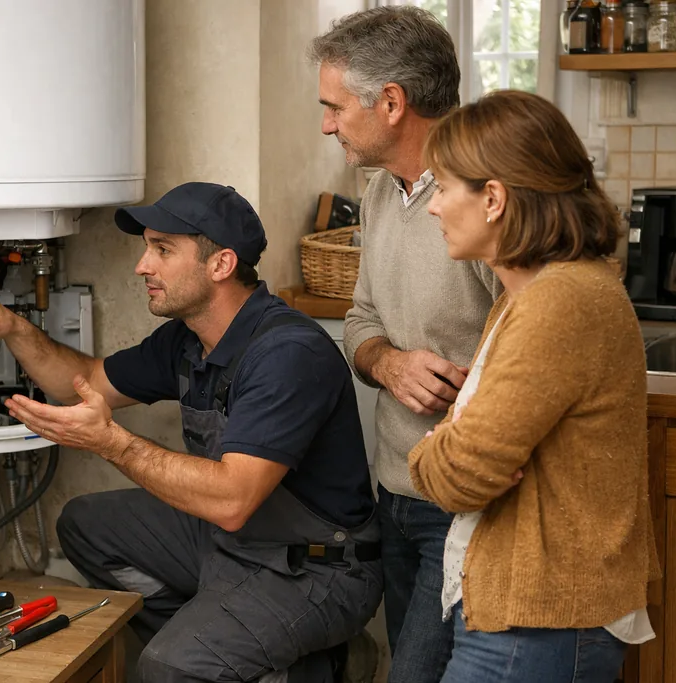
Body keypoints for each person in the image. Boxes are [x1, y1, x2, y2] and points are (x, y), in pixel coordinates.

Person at [0, 182, 382, 683]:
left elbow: (232, 500)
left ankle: (319, 668)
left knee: (168, 666)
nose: (142, 266)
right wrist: (12, 328)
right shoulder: (188, 339)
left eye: (162, 250)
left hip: (315, 567)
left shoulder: (287, 353)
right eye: (147, 247)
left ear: (221, 264)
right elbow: (85, 380)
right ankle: (224, 644)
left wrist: (112, 442)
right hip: (233, 541)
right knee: (85, 526)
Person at [407, 89, 660, 683]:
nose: (433, 207)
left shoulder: (560, 302)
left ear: (493, 199)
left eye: (443, 188)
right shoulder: (526, 296)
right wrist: (453, 444)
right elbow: (471, 454)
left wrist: (433, 451)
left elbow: (464, 473)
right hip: (528, 619)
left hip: (541, 623)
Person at [308, 7, 500, 682]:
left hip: (469, 503)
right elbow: (361, 319)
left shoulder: (485, 197)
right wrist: (387, 363)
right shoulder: (380, 192)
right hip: (394, 490)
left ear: (391, 103)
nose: (327, 124)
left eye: (334, 107)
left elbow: (535, 344)